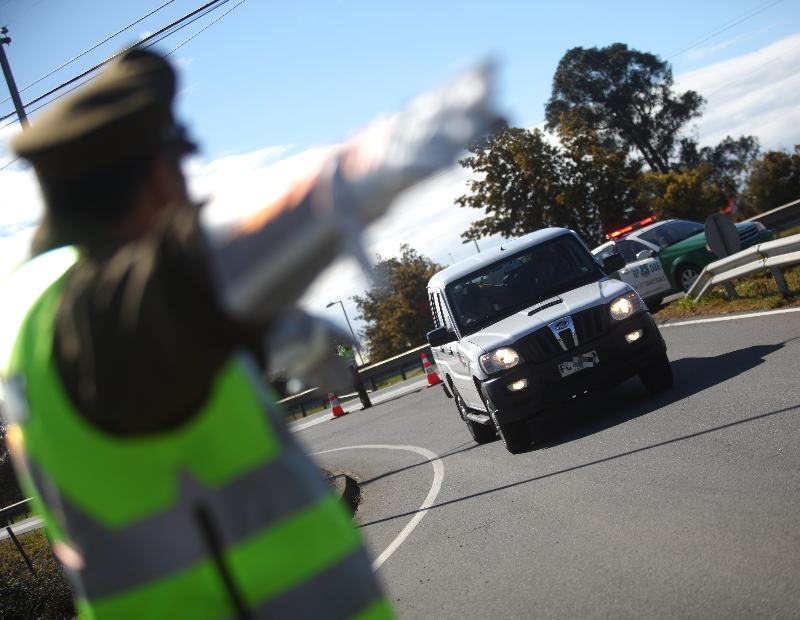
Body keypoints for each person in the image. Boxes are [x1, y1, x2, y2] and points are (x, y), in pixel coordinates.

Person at [0, 49, 499, 619]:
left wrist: (267, 330)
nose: (189, 195)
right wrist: (357, 173)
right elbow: (188, 274)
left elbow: (164, 358)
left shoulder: (32, 304)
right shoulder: (85, 312)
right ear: (156, 177)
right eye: (180, 169)